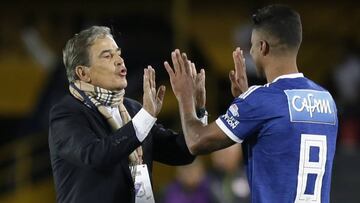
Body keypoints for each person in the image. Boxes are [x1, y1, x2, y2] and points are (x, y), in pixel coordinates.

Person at [164, 4, 338, 203]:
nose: (251, 52)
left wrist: (185, 96)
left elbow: (196, 141)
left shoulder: (261, 100)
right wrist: (246, 100)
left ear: (263, 47)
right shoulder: (326, 100)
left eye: (252, 45)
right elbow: (282, 139)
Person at [48, 25, 207, 203]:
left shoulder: (134, 109)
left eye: (118, 53)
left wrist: (194, 108)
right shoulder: (67, 113)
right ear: (83, 73)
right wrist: (146, 117)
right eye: (107, 56)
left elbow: (181, 153)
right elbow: (96, 156)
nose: (119, 60)